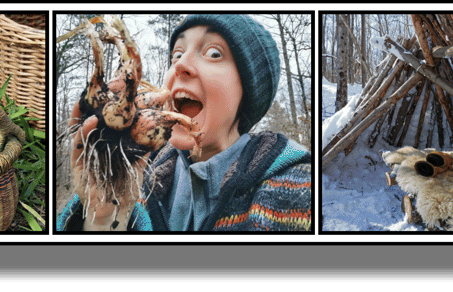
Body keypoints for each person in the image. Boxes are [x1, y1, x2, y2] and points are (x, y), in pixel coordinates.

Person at [57, 15, 312, 231]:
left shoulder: (298, 185)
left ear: (248, 91)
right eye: (176, 54)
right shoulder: (137, 174)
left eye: (213, 53)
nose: (181, 65)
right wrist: (104, 220)